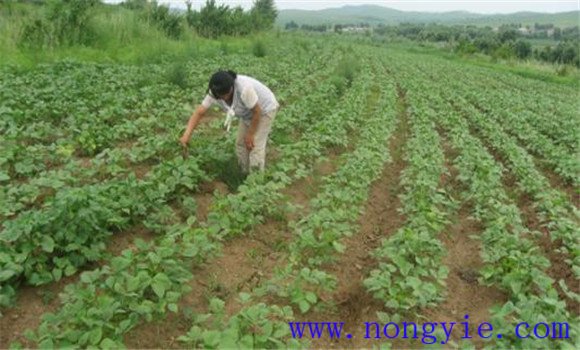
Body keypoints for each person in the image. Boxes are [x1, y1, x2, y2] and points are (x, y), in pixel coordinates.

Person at [180, 70, 279, 174]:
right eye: (221, 95)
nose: (225, 98)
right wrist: (187, 135)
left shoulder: (244, 89)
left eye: (227, 94)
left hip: (265, 110)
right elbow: (199, 112)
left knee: (255, 145)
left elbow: (257, 111)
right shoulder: (214, 92)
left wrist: (251, 133)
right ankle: (244, 174)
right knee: (240, 144)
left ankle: (256, 181)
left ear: (232, 86)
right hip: (248, 113)